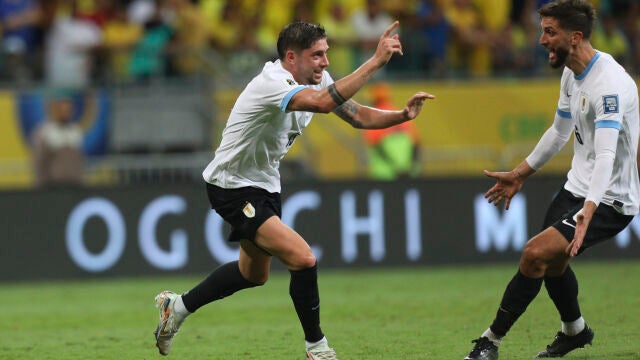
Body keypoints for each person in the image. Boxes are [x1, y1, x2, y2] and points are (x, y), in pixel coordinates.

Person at [152, 21, 434, 359]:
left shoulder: (315, 81)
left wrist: (402, 115)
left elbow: (357, 116)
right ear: (291, 57)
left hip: (264, 187)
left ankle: (177, 307)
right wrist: (374, 61)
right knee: (303, 258)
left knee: (252, 274)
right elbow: (323, 104)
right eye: (316, 55)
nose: (325, 62)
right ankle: (317, 348)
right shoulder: (273, 83)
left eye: (326, 53)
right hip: (232, 186)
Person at [464, 1, 639, 359]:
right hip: (577, 187)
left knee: (533, 255)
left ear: (574, 37)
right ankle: (575, 330)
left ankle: (489, 343)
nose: (541, 39)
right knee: (552, 266)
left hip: (609, 199)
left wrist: (589, 210)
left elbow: (606, 155)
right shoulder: (572, 73)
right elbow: (559, 133)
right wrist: (519, 174)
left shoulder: (609, 86)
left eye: (549, 32)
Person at [364, 82, 421, 180]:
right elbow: (416, 144)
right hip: (407, 174)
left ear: (373, 98)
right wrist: (409, 167)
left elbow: (377, 146)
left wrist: (395, 167)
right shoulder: (400, 115)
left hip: (384, 174)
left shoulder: (373, 117)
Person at [31, 95, 85, 187]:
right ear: (55, 109)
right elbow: (39, 162)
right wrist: (42, 184)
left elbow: (79, 160)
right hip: (53, 185)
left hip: (75, 185)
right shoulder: (45, 131)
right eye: (62, 109)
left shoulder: (76, 131)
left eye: (68, 110)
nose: (66, 112)